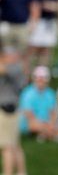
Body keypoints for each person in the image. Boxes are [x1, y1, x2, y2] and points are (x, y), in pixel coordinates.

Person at [19, 66, 58, 145]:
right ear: (34, 79)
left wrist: (51, 124)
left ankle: (45, 135)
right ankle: (52, 134)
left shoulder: (50, 93)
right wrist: (48, 126)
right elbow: (30, 117)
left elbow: (52, 113)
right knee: (33, 125)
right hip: (30, 123)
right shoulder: (28, 93)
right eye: (38, 78)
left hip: (46, 123)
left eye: (43, 78)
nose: (41, 80)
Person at [0, 46, 27, 175]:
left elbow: (2, 69)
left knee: (6, 147)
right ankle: (21, 172)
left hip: (7, 112)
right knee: (15, 145)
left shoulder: (14, 68)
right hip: (11, 112)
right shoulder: (16, 67)